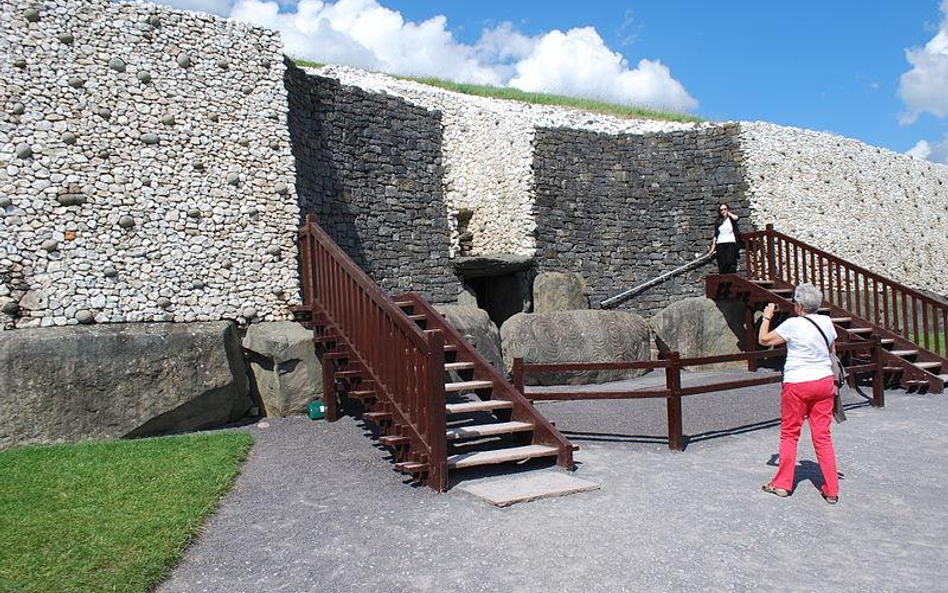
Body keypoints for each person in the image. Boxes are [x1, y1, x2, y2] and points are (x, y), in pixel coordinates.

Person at [757, 283, 840, 504]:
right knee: (822, 436)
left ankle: (783, 484)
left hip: (798, 383)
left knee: (790, 434)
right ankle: (831, 489)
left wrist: (767, 317)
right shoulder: (826, 322)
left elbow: (764, 340)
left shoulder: (793, 325)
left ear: (799, 305)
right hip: (823, 381)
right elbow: (831, 351)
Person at [708, 203, 741, 273]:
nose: (723, 211)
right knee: (722, 264)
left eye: (725, 209)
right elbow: (716, 235)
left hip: (730, 243)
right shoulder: (718, 221)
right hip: (720, 243)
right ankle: (723, 280)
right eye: (721, 210)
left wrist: (728, 214)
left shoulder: (731, 219)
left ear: (727, 210)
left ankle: (729, 279)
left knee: (730, 261)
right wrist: (712, 248)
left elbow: (736, 218)